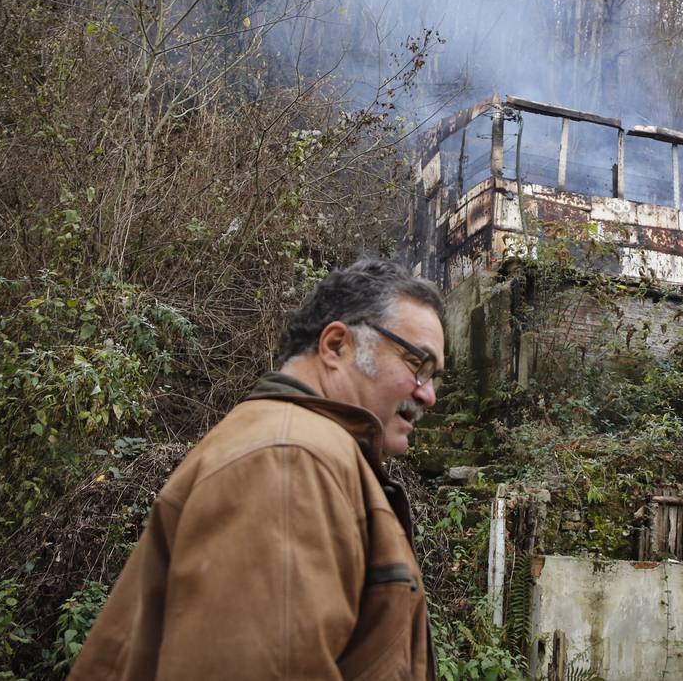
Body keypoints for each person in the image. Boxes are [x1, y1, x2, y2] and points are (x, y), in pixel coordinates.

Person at [69, 258, 445, 680]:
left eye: (435, 377)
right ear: (337, 345)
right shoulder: (289, 457)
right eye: (419, 364)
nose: (428, 395)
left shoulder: (304, 449)